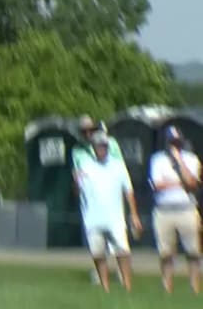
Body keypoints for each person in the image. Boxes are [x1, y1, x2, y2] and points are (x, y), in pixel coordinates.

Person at [75, 131, 142, 292]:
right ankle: (105, 287)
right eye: (99, 146)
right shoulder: (86, 166)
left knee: (122, 252)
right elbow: (78, 193)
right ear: (94, 147)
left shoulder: (118, 165)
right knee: (98, 254)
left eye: (104, 146)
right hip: (93, 218)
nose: (102, 149)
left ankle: (127, 285)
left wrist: (134, 215)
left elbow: (129, 191)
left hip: (115, 218)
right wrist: (76, 182)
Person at [71, 115, 127, 284]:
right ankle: (99, 271)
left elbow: (119, 168)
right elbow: (77, 172)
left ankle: (121, 272)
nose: (88, 134)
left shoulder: (111, 144)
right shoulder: (77, 150)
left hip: (111, 198)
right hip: (90, 200)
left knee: (117, 238)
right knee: (95, 238)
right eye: (84, 131)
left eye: (91, 130)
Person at [149, 125, 202, 294]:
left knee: (193, 251)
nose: (174, 146)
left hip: (186, 209)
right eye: (171, 142)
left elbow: (192, 183)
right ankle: (167, 286)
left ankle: (194, 286)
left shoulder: (192, 159)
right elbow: (157, 185)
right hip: (163, 210)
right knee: (166, 252)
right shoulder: (157, 160)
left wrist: (179, 163)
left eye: (177, 142)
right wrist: (180, 183)